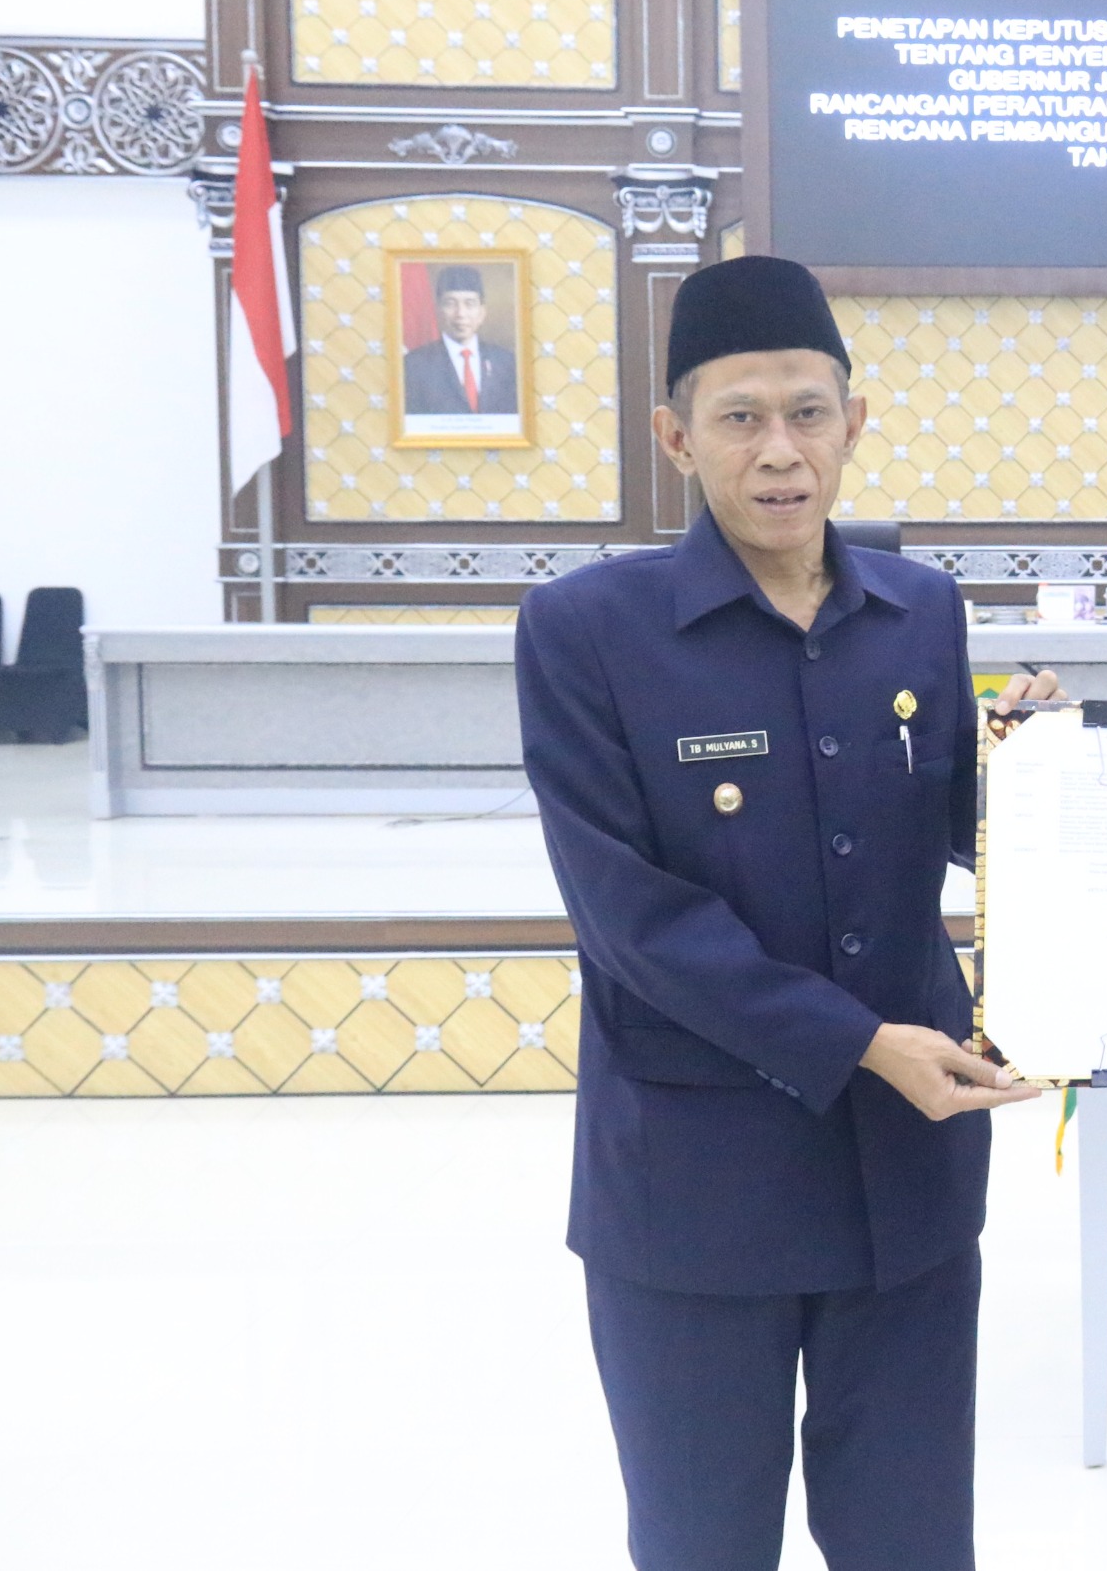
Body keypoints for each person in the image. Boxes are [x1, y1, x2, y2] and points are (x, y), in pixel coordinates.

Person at [515, 254, 1055, 1571]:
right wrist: (864, 1043)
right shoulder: (587, 628)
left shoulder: (919, 609)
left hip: (907, 1187)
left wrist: (1050, 777)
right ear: (675, 436)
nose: (779, 452)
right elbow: (633, 920)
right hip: (699, 1194)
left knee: (914, 1539)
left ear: (854, 422)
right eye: (740, 417)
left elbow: (967, 835)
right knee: (705, 1542)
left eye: (809, 413)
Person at [402, 264, 518, 416]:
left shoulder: (505, 362)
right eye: (450, 303)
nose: (460, 314)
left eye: (469, 304)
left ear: (482, 313)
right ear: (438, 310)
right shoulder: (414, 364)